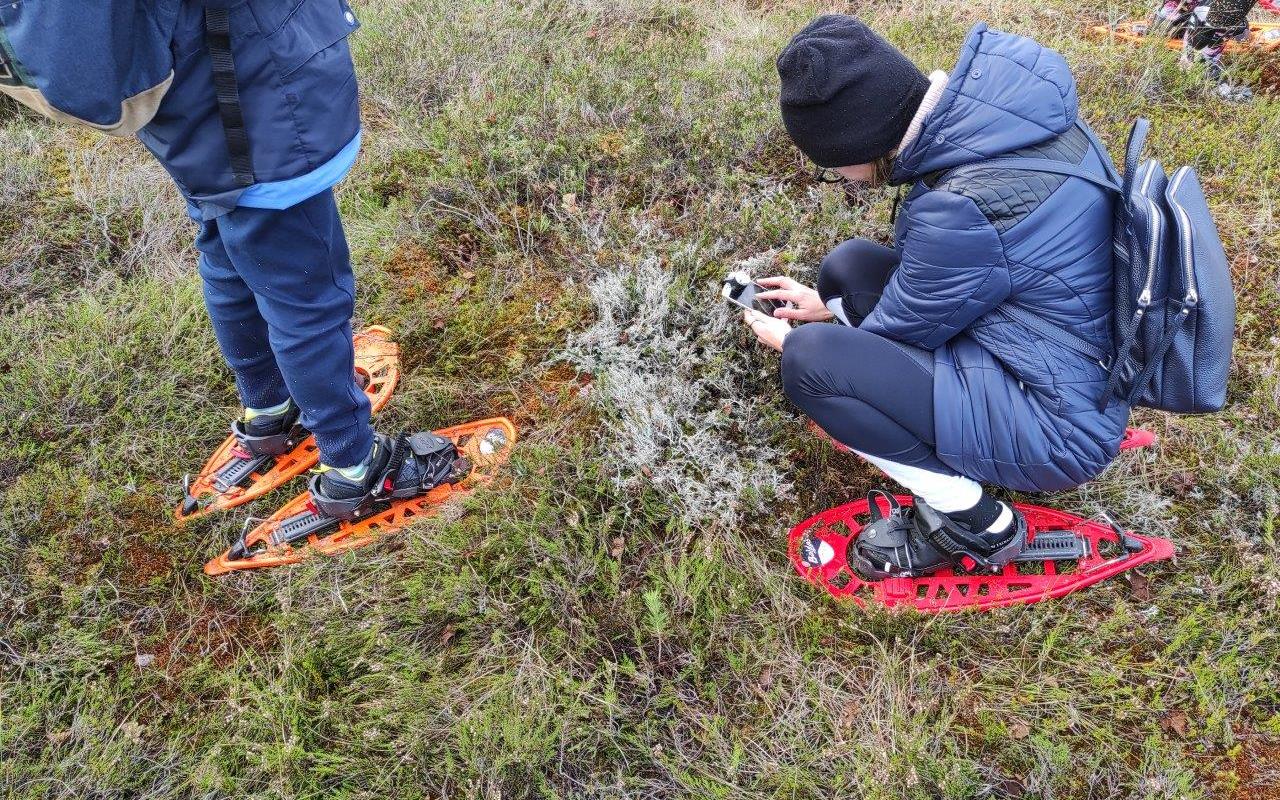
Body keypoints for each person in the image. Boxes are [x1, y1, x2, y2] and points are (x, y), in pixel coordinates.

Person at [0, 2, 450, 515]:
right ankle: (355, 469)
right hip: (254, 93)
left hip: (197, 105)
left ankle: (270, 410)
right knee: (306, 291)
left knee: (227, 250)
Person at [743, 17, 1130, 579]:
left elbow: (893, 344)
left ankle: (978, 522)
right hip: (1066, 357)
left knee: (813, 366)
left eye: (833, 166)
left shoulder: (963, 208)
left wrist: (798, 342)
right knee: (845, 270)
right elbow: (956, 285)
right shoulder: (1003, 126)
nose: (842, 179)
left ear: (860, 139)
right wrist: (830, 305)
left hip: (1059, 425)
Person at [1158, 0, 1260, 100]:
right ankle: (1197, 63)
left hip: (1207, 12)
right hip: (1183, 12)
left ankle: (1204, 60)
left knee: (1236, 23)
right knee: (1210, 17)